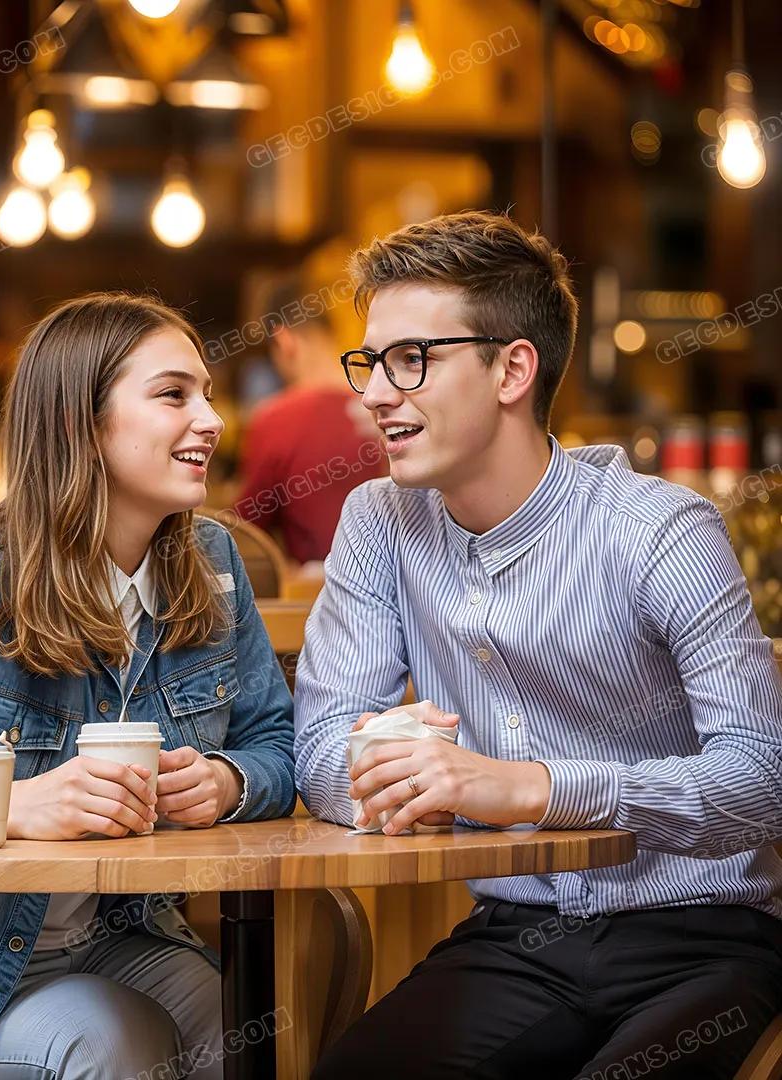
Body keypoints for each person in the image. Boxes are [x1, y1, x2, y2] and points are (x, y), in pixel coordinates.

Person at [295, 211, 782, 1079]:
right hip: (518, 940)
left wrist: (526, 788)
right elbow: (322, 754)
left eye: (413, 359)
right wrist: (400, 779)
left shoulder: (660, 532)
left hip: (703, 932)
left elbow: (759, 782)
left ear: (513, 368)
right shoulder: (378, 522)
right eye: (370, 362)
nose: (372, 392)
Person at [0, 292, 296, 1080]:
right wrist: (14, 807)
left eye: (207, 394)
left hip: (118, 939)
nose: (211, 419)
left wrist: (226, 780)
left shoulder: (210, 565)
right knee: (117, 1042)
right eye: (175, 394)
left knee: (240, 1024)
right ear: (83, 422)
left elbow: (276, 747)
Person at [234, 276, 384, 566]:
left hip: (316, 596)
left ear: (284, 340)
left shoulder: (275, 418)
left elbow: (246, 532)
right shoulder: (387, 402)